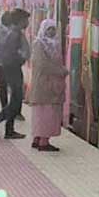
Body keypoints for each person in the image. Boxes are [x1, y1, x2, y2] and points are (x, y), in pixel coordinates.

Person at [0, 9, 30, 140]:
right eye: (26, 20)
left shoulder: (15, 33)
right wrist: (20, 59)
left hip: (13, 68)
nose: (27, 22)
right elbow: (8, 54)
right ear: (20, 21)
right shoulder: (14, 35)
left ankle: (9, 130)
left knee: (15, 101)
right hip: (13, 69)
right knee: (15, 102)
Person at [28, 19, 67, 152]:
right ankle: (44, 142)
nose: (51, 32)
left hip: (52, 86)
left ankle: (37, 139)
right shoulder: (39, 44)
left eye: (53, 29)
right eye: (49, 29)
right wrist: (61, 71)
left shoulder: (54, 44)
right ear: (43, 29)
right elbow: (42, 64)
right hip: (44, 85)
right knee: (47, 114)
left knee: (42, 113)